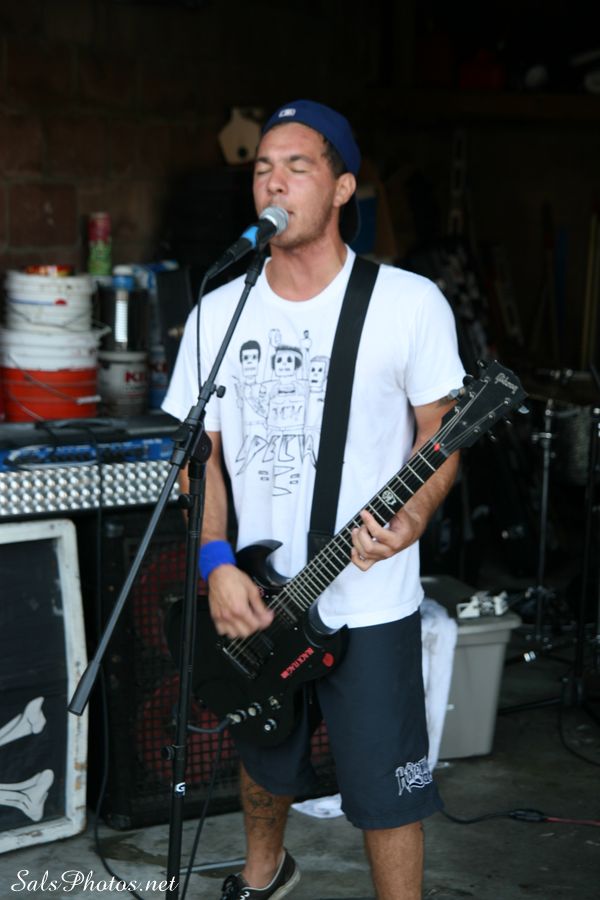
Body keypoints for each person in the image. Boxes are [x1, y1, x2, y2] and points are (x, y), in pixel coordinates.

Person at [162, 99, 466, 900]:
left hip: (371, 601)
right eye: (263, 167)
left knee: (388, 790)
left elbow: (442, 434)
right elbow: (200, 458)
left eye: (298, 166)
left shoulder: (407, 303)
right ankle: (264, 877)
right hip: (261, 595)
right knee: (262, 752)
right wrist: (217, 563)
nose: (274, 180)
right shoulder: (219, 311)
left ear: (342, 188)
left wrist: (414, 514)